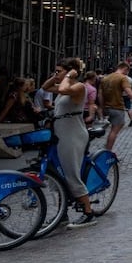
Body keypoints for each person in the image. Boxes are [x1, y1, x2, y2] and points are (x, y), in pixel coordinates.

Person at [40, 58, 97, 228]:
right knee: (57, 174)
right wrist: (57, 76)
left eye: (59, 71)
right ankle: (62, 213)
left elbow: (64, 88)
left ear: (71, 71)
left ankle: (88, 213)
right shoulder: (64, 86)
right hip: (60, 132)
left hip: (72, 134)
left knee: (71, 173)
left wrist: (70, 75)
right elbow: (45, 88)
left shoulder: (78, 87)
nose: (56, 74)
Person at [98, 63, 132, 152]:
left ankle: (107, 146)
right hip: (117, 107)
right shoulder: (122, 78)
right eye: (128, 71)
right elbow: (129, 93)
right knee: (114, 130)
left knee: (115, 128)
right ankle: (108, 150)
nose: (127, 73)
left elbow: (100, 95)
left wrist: (102, 107)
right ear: (125, 68)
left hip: (107, 107)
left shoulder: (105, 78)